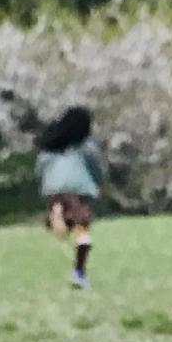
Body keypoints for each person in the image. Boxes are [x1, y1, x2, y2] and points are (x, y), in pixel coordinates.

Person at [37, 107, 104, 289]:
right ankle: (79, 272)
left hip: (54, 191)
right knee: (82, 232)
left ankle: (56, 213)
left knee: (64, 228)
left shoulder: (50, 146)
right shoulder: (85, 147)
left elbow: (40, 169)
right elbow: (96, 167)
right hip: (77, 192)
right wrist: (98, 182)